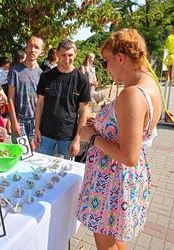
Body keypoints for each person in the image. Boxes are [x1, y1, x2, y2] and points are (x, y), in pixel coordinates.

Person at [76, 28, 163, 249]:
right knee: (115, 241)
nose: (105, 68)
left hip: (112, 184)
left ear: (121, 58)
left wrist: (92, 136)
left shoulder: (132, 94)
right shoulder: (149, 85)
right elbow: (129, 132)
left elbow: (128, 155)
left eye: (106, 61)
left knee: (106, 244)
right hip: (120, 181)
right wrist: (103, 125)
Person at [34, 39, 91, 159]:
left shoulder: (82, 80)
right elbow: (39, 104)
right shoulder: (46, 76)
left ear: (76, 54)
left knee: (65, 173)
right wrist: (37, 129)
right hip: (45, 135)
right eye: (63, 55)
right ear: (57, 55)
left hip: (68, 137)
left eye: (70, 55)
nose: (66, 59)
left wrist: (77, 139)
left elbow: (83, 112)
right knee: (39, 170)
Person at [8, 35, 44, 150]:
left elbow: (41, 101)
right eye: (30, 46)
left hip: (35, 121)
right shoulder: (15, 71)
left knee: (34, 153)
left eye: (36, 47)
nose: (33, 49)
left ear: (41, 53)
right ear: (26, 48)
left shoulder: (42, 74)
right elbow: (10, 98)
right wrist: (14, 121)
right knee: (22, 153)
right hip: (20, 120)